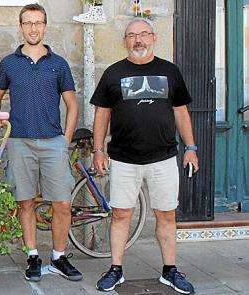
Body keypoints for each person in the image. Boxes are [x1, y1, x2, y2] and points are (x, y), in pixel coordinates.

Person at [91, 18, 198, 294]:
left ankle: (169, 271)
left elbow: (181, 113)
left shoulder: (170, 71)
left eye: (143, 34)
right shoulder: (113, 73)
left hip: (163, 158)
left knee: (166, 215)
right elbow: (102, 114)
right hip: (124, 159)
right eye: (131, 35)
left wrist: (191, 148)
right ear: (125, 41)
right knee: (120, 215)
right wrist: (98, 149)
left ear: (153, 37)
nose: (138, 40)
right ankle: (116, 270)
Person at [0, 3, 81, 282]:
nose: (33, 28)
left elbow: (72, 105)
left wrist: (65, 139)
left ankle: (58, 257)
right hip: (20, 142)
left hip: (53, 142)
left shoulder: (59, 64)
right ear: (21, 27)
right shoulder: (9, 63)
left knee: (62, 204)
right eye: (28, 23)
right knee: (25, 202)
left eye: (38, 23)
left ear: (45, 26)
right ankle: (32, 256)